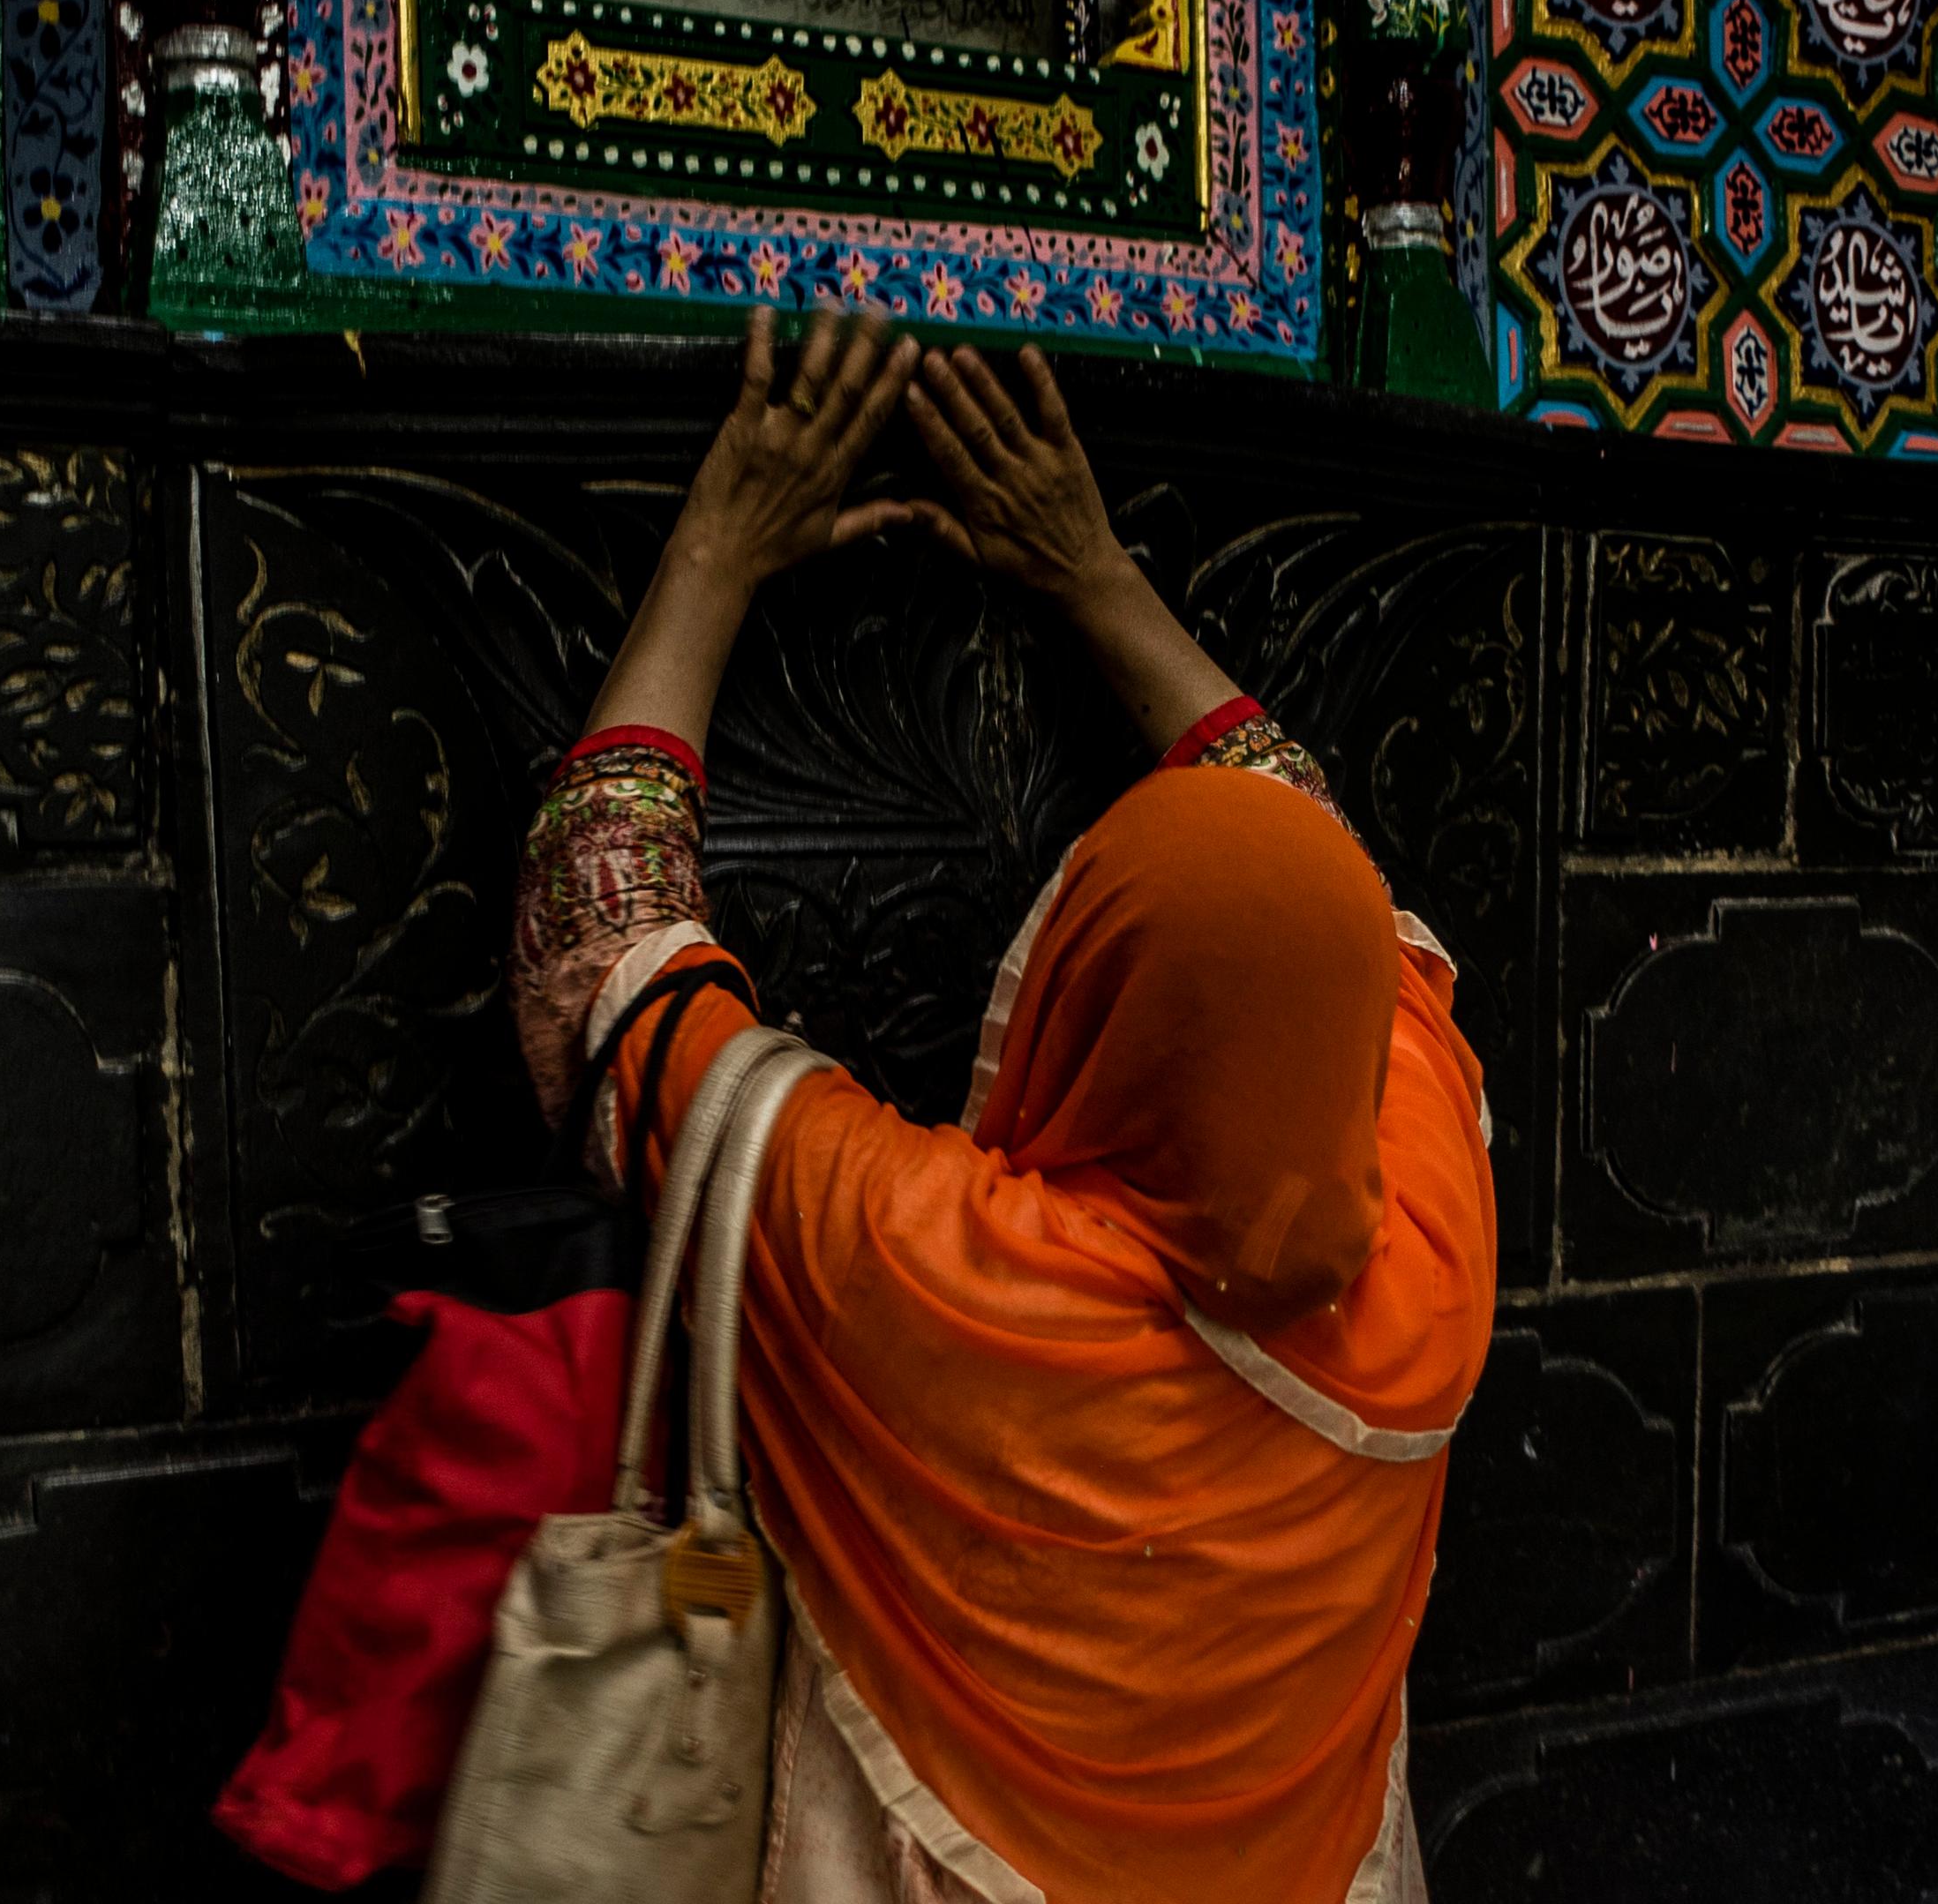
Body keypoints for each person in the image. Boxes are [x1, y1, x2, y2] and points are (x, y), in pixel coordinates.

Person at [507, 309, 1499, 1904]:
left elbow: (603, 948)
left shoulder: (915, 1257)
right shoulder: (1429, 1244)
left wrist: (713, 553)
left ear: (1078, 984)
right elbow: (1342, 909)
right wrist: (1100, 580)